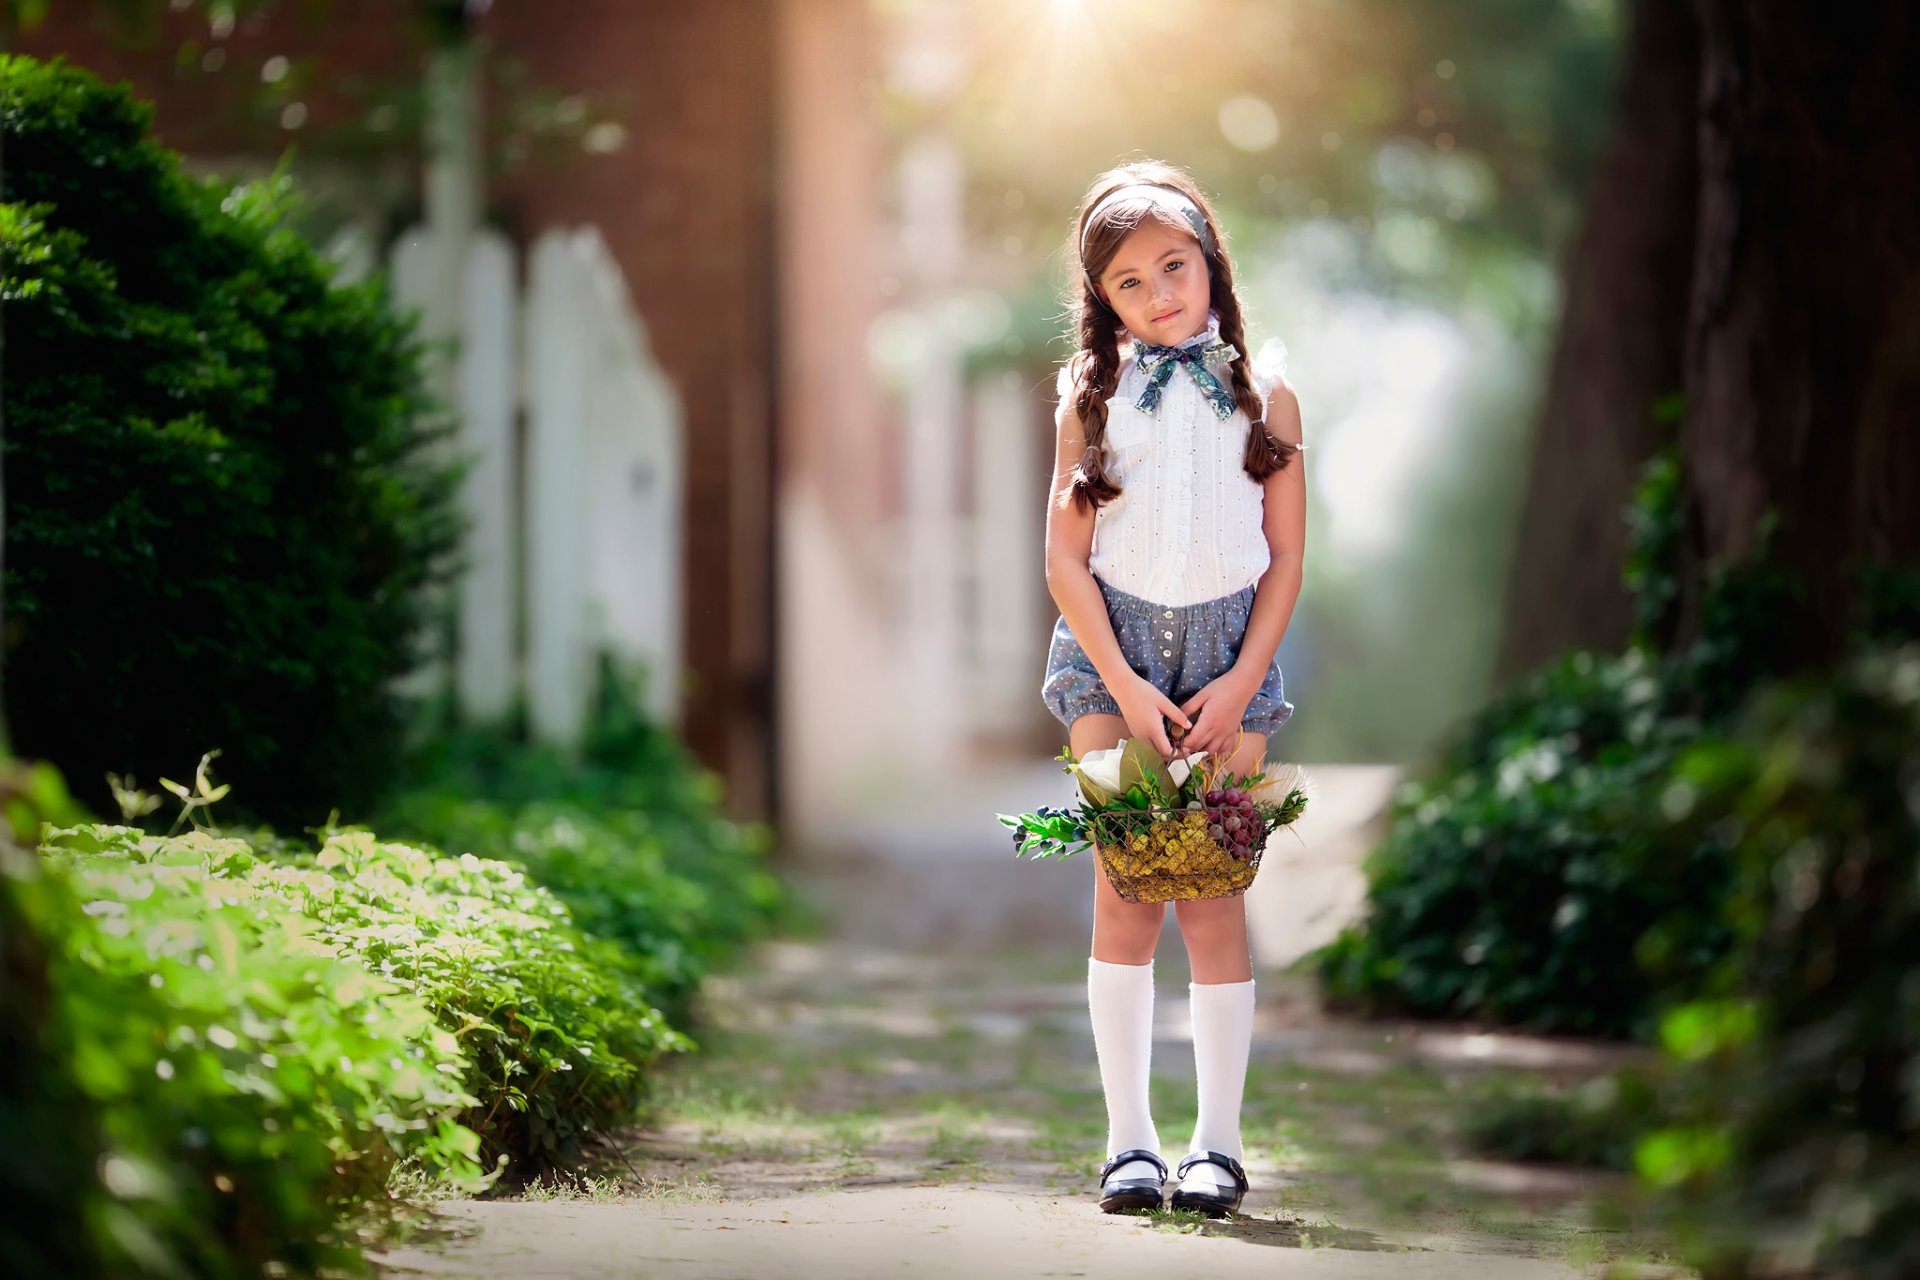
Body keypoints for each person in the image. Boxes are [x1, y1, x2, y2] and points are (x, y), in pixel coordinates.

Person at [1039, 159, 1307, 1218]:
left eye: (1175, 266)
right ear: (1103, 301)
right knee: (1127, 886)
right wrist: (1126, 687)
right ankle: (1129, 1142)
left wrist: (1240, 682)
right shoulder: (1088, 396)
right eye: (1130, 284)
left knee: (1213, 892)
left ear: (1211, 262)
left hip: (1229, 655)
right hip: (1113, 657)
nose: (1159, 294)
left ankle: (1218, 1145)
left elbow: (1285, 555)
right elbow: (1066, 559)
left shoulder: (1266, 388)